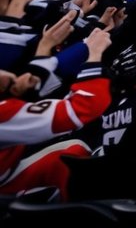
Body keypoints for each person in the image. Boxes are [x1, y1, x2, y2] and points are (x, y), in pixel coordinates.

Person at [0, 28, 112, 199]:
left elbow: (38, 78)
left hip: (7, 168)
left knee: (68, 153)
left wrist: (46, 46)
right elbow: (84, 108)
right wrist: (95, 57)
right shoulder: (4, 113)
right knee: (76, 152)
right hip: (4, 184)